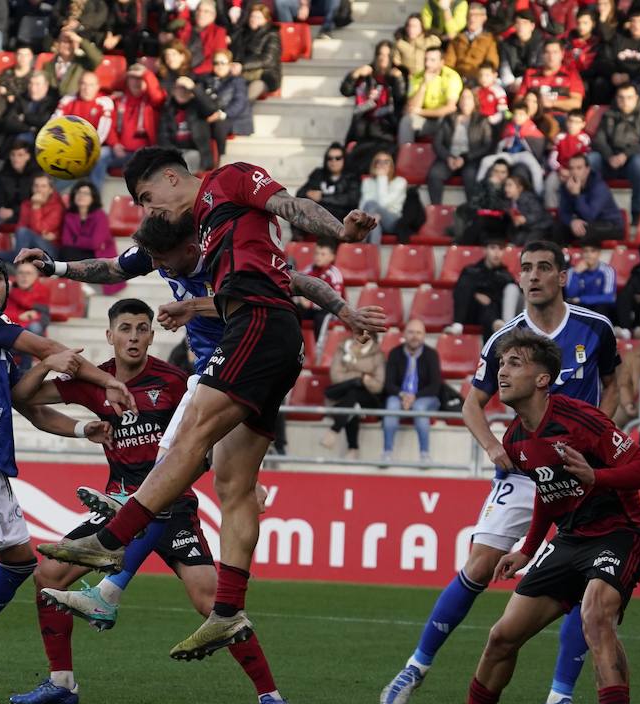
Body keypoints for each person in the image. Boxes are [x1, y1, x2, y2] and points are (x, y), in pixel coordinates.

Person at [36, 148, 382, 661]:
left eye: (148, 199)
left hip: (255, 326)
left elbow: (290, 208)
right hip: (264, 338)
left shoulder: (231, 181)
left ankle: (113, 539)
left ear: (172, 178)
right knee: (233, 483)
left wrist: (341, 234)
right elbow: (113, 266)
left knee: (191, 433)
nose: (148, 211)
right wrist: (56, 266)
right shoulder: (185, 231)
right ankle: (226, 612)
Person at [381, 241, 621, 704]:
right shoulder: (504, 340)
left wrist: (599, 434)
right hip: (520, 471)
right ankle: (417, 665)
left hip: (577, 477)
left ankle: (559, 699)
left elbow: (615, 380)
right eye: (526, 269)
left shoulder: (595, 329)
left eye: (543, 268)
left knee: (585, 585)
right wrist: (493, 446)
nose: (533, 276)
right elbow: (471, 404)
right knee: (479, 563)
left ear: (562, 275)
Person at [13, 299, 291, 704]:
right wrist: (53, 369)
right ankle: (61, 682)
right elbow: (24, 399)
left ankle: (269, 695)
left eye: (143, 328)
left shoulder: (175, 381)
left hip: (173, 507)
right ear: (109, 336)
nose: (134, 337)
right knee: (47, 574)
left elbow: (215, 430)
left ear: (152, 335)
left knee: (212, 600)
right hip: (117, 509)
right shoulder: (97, 380)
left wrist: (253, 482)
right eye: (125, 328)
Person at [408, 327, 640, 704]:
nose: (502, 372)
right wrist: (528, 549)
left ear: (543, 379)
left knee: (594, 616)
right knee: (502, 635)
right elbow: (548, 491)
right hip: (568, 539)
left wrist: (595, 478)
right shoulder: (515, 440)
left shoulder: (582, 420)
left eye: (515, 364)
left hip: (620, 533)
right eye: (502, 364)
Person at [0, 252, 132, 704]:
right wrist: (106, 383)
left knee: (19, 561)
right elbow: (42, 349)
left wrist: (82, 427)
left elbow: (28, 404)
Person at [590, 83, 640, 228]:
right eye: (621, 98)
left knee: (639, 163)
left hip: (633, 163)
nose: (625, 101)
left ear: (636, 98)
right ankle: (592, 208)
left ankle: (636, 210)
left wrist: (625, 155)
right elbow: (599, 140)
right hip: (610, 161)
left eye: (629, 98)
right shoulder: (609, 114)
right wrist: (610, 156)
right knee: (591, 160)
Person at [381, 318, 442, 463]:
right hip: (399, 395)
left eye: (418, 333)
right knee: (391, 405)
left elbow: (435, 386)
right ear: (404, 334)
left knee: (419, 407)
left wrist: (414, 397)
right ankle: (387, 452)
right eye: (411, 332)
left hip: (425, 397)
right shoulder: (395, 353)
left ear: (424, 335)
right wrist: (403, 395)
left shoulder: (431, 354)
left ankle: (424, 454)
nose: (415, 336)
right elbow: (388, 384)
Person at [323, 332, 384, 459]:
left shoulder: (378, 355)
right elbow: (335, 377)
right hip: (342, 395)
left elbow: (378, 385)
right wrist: (361, 377)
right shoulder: (342, 349)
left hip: (369, 398)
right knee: (354, 397)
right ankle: (352, 449)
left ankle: (335, 430)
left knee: (354, 395)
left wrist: (351, 375)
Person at [427, 88, 492, 206]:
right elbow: (437, 143)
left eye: (468, 98)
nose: (465, 101)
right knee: (434, 174)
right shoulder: (448, 118)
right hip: (449, 158)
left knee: (470, 176)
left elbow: (487, 145)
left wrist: (465, 158)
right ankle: (436, 210)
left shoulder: (482, 120)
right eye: (463, 97)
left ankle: (472, 212)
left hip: (470, 159)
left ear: (474, 101)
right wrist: (448, 157)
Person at [341, 42, 407, 157]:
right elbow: (345, 91)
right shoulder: (366, 73)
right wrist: (355, 74)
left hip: (386, 125)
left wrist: (398, 79)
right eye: (380, 54)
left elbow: (400, 99)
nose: (383, 58)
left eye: (387, 55)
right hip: (362, 123)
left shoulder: (398, 74)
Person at [398, 46, 463, 144]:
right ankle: (405, 155)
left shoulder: (451, 76)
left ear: (441, 62)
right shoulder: (417, 76)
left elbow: (450, 107)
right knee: (406, 121)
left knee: (447, 120)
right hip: (425, 119)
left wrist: (420, 112)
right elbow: (412, 107)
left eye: (432, 60)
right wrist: (423, 85)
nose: (427, 64)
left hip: (444, 119)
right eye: (426, 59)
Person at [452, 239, 519, 333]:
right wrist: (475, 295)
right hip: (471, 312)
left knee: (510, 289)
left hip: (492, 313)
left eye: (500, 249)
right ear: (485, 250)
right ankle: (457, 323)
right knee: (466, 282)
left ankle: (500, 324)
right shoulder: (471, 270)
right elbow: (460, 292)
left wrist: (489, 300)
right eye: (493, 248)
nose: (497, 253)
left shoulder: (505, 275)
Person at [556, 153, 624, 244]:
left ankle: (585, 257)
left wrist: (577, 195)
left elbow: (590, 216)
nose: (574, 172)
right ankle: (563, 256)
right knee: (558, 227)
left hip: (610, 225)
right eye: (571, 168)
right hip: (587, 223)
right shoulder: (566, 186)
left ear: (587, 170)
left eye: (579, 168)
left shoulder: (599, 187)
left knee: (585, 230)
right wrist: (572, 221)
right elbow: (563, 212)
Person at [297, 144, 362, 226]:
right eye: (330, 158)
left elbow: (351, 199)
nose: (333, 161)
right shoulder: (318, 174)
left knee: (329, 218)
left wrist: (322, 197)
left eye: (338, 158)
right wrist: (307, 193)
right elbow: (300, 193)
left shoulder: (351, 177)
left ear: (344, 159)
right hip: (317, 215)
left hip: (340, 218)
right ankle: (297, 237)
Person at [229, 4, 282, 100]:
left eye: (258, 17)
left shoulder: (272, 35)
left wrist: (242, 66)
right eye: (252, 16)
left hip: (264, 76)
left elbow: (268, 60)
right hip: (241, 75)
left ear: (266, 20)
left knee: (247, 96)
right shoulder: (243, 33)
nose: (253, 19)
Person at [360, 150, 408, 244]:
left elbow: (383, 203)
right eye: (379, 162)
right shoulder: (367, 182)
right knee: (374, 225)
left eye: (386, 162)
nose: (382, 165)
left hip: (392, 221)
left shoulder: (400, 182)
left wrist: (382, 178)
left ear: (391, 166)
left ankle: (360, 244)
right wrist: (374, 217)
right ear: (374, 165)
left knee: (371, 205)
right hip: (373, 220)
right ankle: (374, 256)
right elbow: (363, 207)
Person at [444, 4, 499, 83]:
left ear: (484, 18)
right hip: (457, 79)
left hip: (479, 79)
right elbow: (448, 63)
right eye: (469, 15)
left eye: (476, 15)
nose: (472, 19)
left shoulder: (489, 40)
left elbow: (492, 63)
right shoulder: (457, 39)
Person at [564, 242, 617, 324]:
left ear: (599, 253)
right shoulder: (572, 271)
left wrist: (582, 299)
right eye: (586, 251)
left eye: (593, 251)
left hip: (598, 306)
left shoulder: (607, 270)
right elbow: (570, 295)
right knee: (571, 306)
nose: (589, 255)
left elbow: (609, 297)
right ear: (582, 253)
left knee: (603, 306)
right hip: (581, 306)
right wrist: (576, 274)